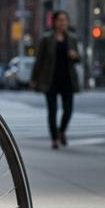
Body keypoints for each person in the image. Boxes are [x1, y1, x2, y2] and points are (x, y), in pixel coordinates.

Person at [30, 10, 81, 149]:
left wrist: (74, 55)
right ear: (54, 22)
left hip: (67, 79)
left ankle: (62, 131)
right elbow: (39, 60)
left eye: (65, 20)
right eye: (60, 20)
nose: (63, 22)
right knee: (52, 110)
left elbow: (79, 59)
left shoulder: (72, 38)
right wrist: (34, 78)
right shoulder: (46, 39)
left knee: (68, 110)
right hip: (50, 79)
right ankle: (54, 139)